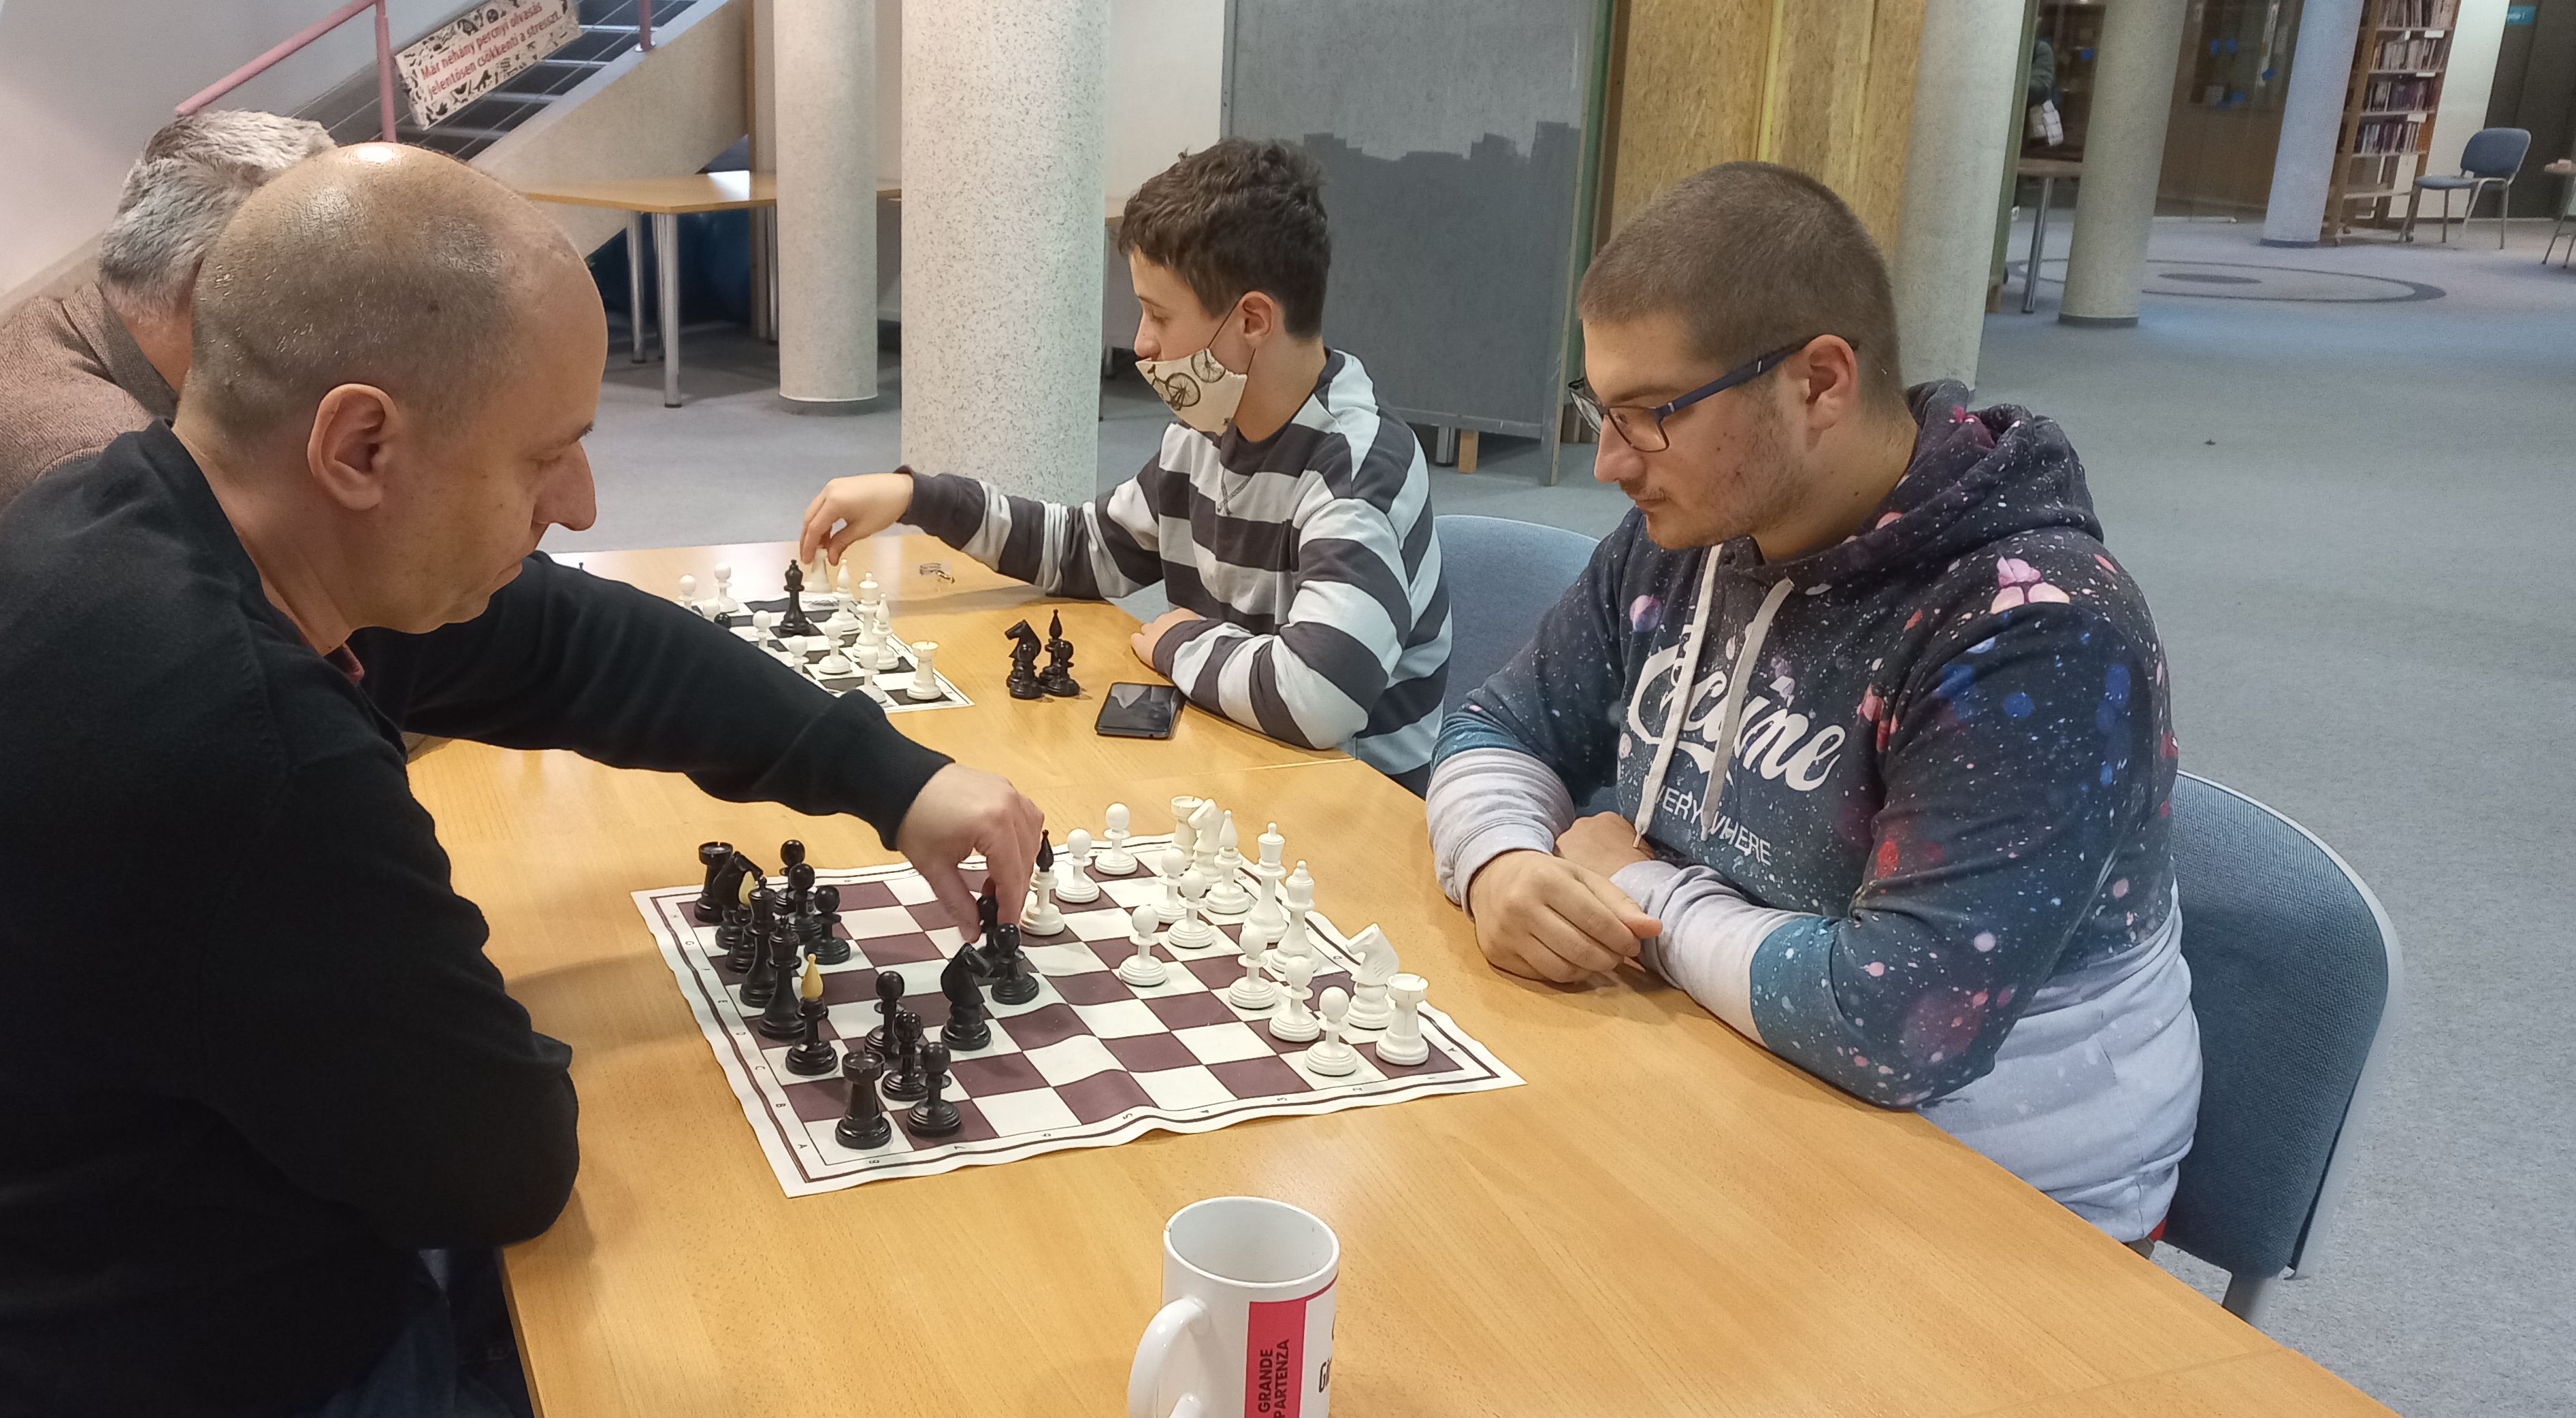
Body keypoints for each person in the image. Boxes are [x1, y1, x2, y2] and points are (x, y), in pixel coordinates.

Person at [0, 146, 1046, 1417]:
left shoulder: (154, 512)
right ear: (358, 447)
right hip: (0, 1371)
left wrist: (890, 776)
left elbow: (566, 641)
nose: (579, 502)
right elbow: (500, 1159)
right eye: (543, 453)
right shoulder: (234, 732)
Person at [1422, 162, 2197, 1242]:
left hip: (1995, 1196)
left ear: (1821, 382)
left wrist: (1637, 885)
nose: (1607, 462)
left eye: (1649, 415)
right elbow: (1497, 725)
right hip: (1736, 1067)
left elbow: (1895, 1024)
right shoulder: (1689, 535)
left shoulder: (2037, 628)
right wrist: (1500, 861)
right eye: (1599, 408)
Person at [796, 139, 1452, 789]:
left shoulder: (1355, 471)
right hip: (1237, 763)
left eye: (1159, 315)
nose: (1141, 343)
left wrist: (1178, 641)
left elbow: (1320, 696)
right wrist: (918, 498)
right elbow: (1083, 549)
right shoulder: (1206, 434)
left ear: (1253, 320)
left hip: (1349, 806)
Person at [0, 108, 332, 687]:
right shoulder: (104, 465)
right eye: (325, 287)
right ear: (216, 285)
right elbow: (231, 694)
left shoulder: (68, 337)